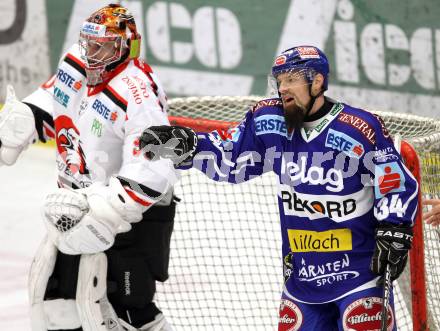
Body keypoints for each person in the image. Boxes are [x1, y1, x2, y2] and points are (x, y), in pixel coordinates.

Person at [138, 45, 419, 330]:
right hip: (301, 280)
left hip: (360, 277)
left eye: (291, 79)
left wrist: (395, 228)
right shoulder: (268, 121)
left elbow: (395, 179)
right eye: (279, 80)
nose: (282, 88)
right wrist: (191, 147)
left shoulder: (359, 127)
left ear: (317, 81)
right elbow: (231, 157)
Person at [0, 4, 177, 331]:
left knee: (129, 313)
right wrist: (26, 116)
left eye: (103, 46)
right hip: (75, 208)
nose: (92, 53)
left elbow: (156, 162)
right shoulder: (76, 63)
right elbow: (53, 97)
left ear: (126, 48)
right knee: (57, 305)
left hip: (131, 218)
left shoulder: (137, 91)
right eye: (89, 43)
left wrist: (110, 206)